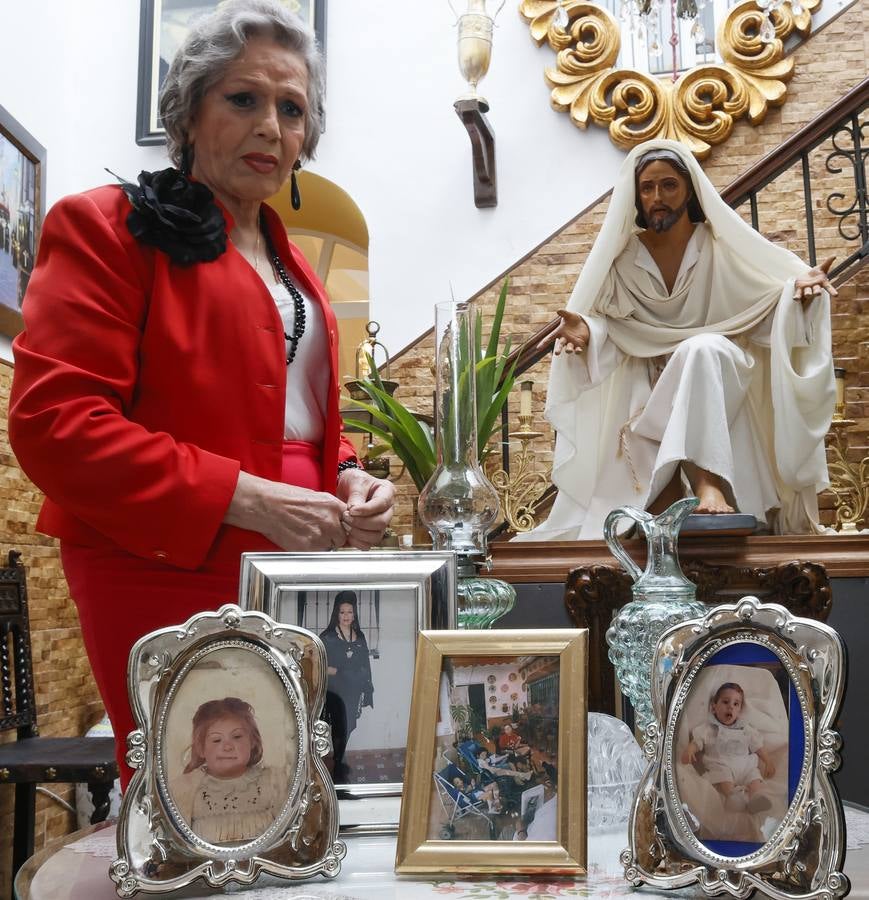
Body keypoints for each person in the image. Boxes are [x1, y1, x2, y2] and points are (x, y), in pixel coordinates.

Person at [7, 0, 395, 787]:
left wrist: (346, 470)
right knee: (195, 787)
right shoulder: (105, 227)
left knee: (285, 783)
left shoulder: (297, 269)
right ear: (187, 111)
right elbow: (56, 423)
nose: (270, 127)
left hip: (298, 560)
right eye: (242, 99)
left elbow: (296, 410)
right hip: (156, 557)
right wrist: (249, 498)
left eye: (292, 109)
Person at [518, 139, 836, 541]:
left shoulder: (721, 250)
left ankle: (708, 481)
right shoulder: (623, 263)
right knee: (679, 359)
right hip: (653, 389)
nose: (657, 197)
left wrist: (799, 297)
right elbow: (616, 329)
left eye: (668, 185)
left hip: (723, 374)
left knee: (700, 348)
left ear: (689, 189)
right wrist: (590, 332)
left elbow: (766, 310)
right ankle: (663, 486)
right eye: (647, 188)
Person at [171, 697, 288, 843]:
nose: (227, 747)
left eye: (237, 737)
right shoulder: (184, 789)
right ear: (201, 748)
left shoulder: (275, 782)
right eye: (216, 740)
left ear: (253, 741)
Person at [681, 682, 774, 814]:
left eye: (736, 704)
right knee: (723, 778)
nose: (730, 707)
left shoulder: (746, 728)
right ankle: (733, 797)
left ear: (739, 710)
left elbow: (757, 745)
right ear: (714, 707)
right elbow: (698, 741)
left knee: (754, 778)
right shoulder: (709, 728)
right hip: (721, 764)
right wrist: (690, 749)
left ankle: (756, 798)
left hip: (745, 766)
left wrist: (768, 761)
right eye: (725, 702)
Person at [319, 591, 374, 782]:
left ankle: (339, 759)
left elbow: (364, 663)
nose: (346, 616)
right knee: (339, 728)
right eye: (342, 612)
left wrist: (366, 686)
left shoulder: (359, 636)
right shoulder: (327, 637)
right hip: (335, 692)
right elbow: (318, 663)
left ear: (354, 613)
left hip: (353, 690)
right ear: (336, 613)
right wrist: (331, 670)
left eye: (349, 612)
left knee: (348, 726)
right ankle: (338, 764)